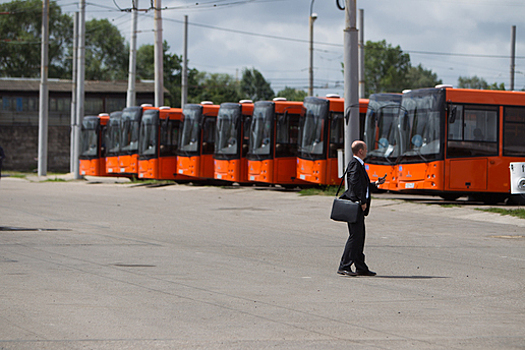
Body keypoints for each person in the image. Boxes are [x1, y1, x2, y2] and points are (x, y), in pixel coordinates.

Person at [337, 140, 385, 277]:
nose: (367, 150)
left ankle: (360, 266)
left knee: (360, 236)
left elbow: (362, 184)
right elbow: (354, 184)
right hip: (355, 205)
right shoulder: (355, 164)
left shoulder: (359, 164)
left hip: (358, 205)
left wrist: (375, 183)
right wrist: (361, 200)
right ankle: (344, 265)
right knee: (355, 236)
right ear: (360, 151)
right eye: (365, 148)